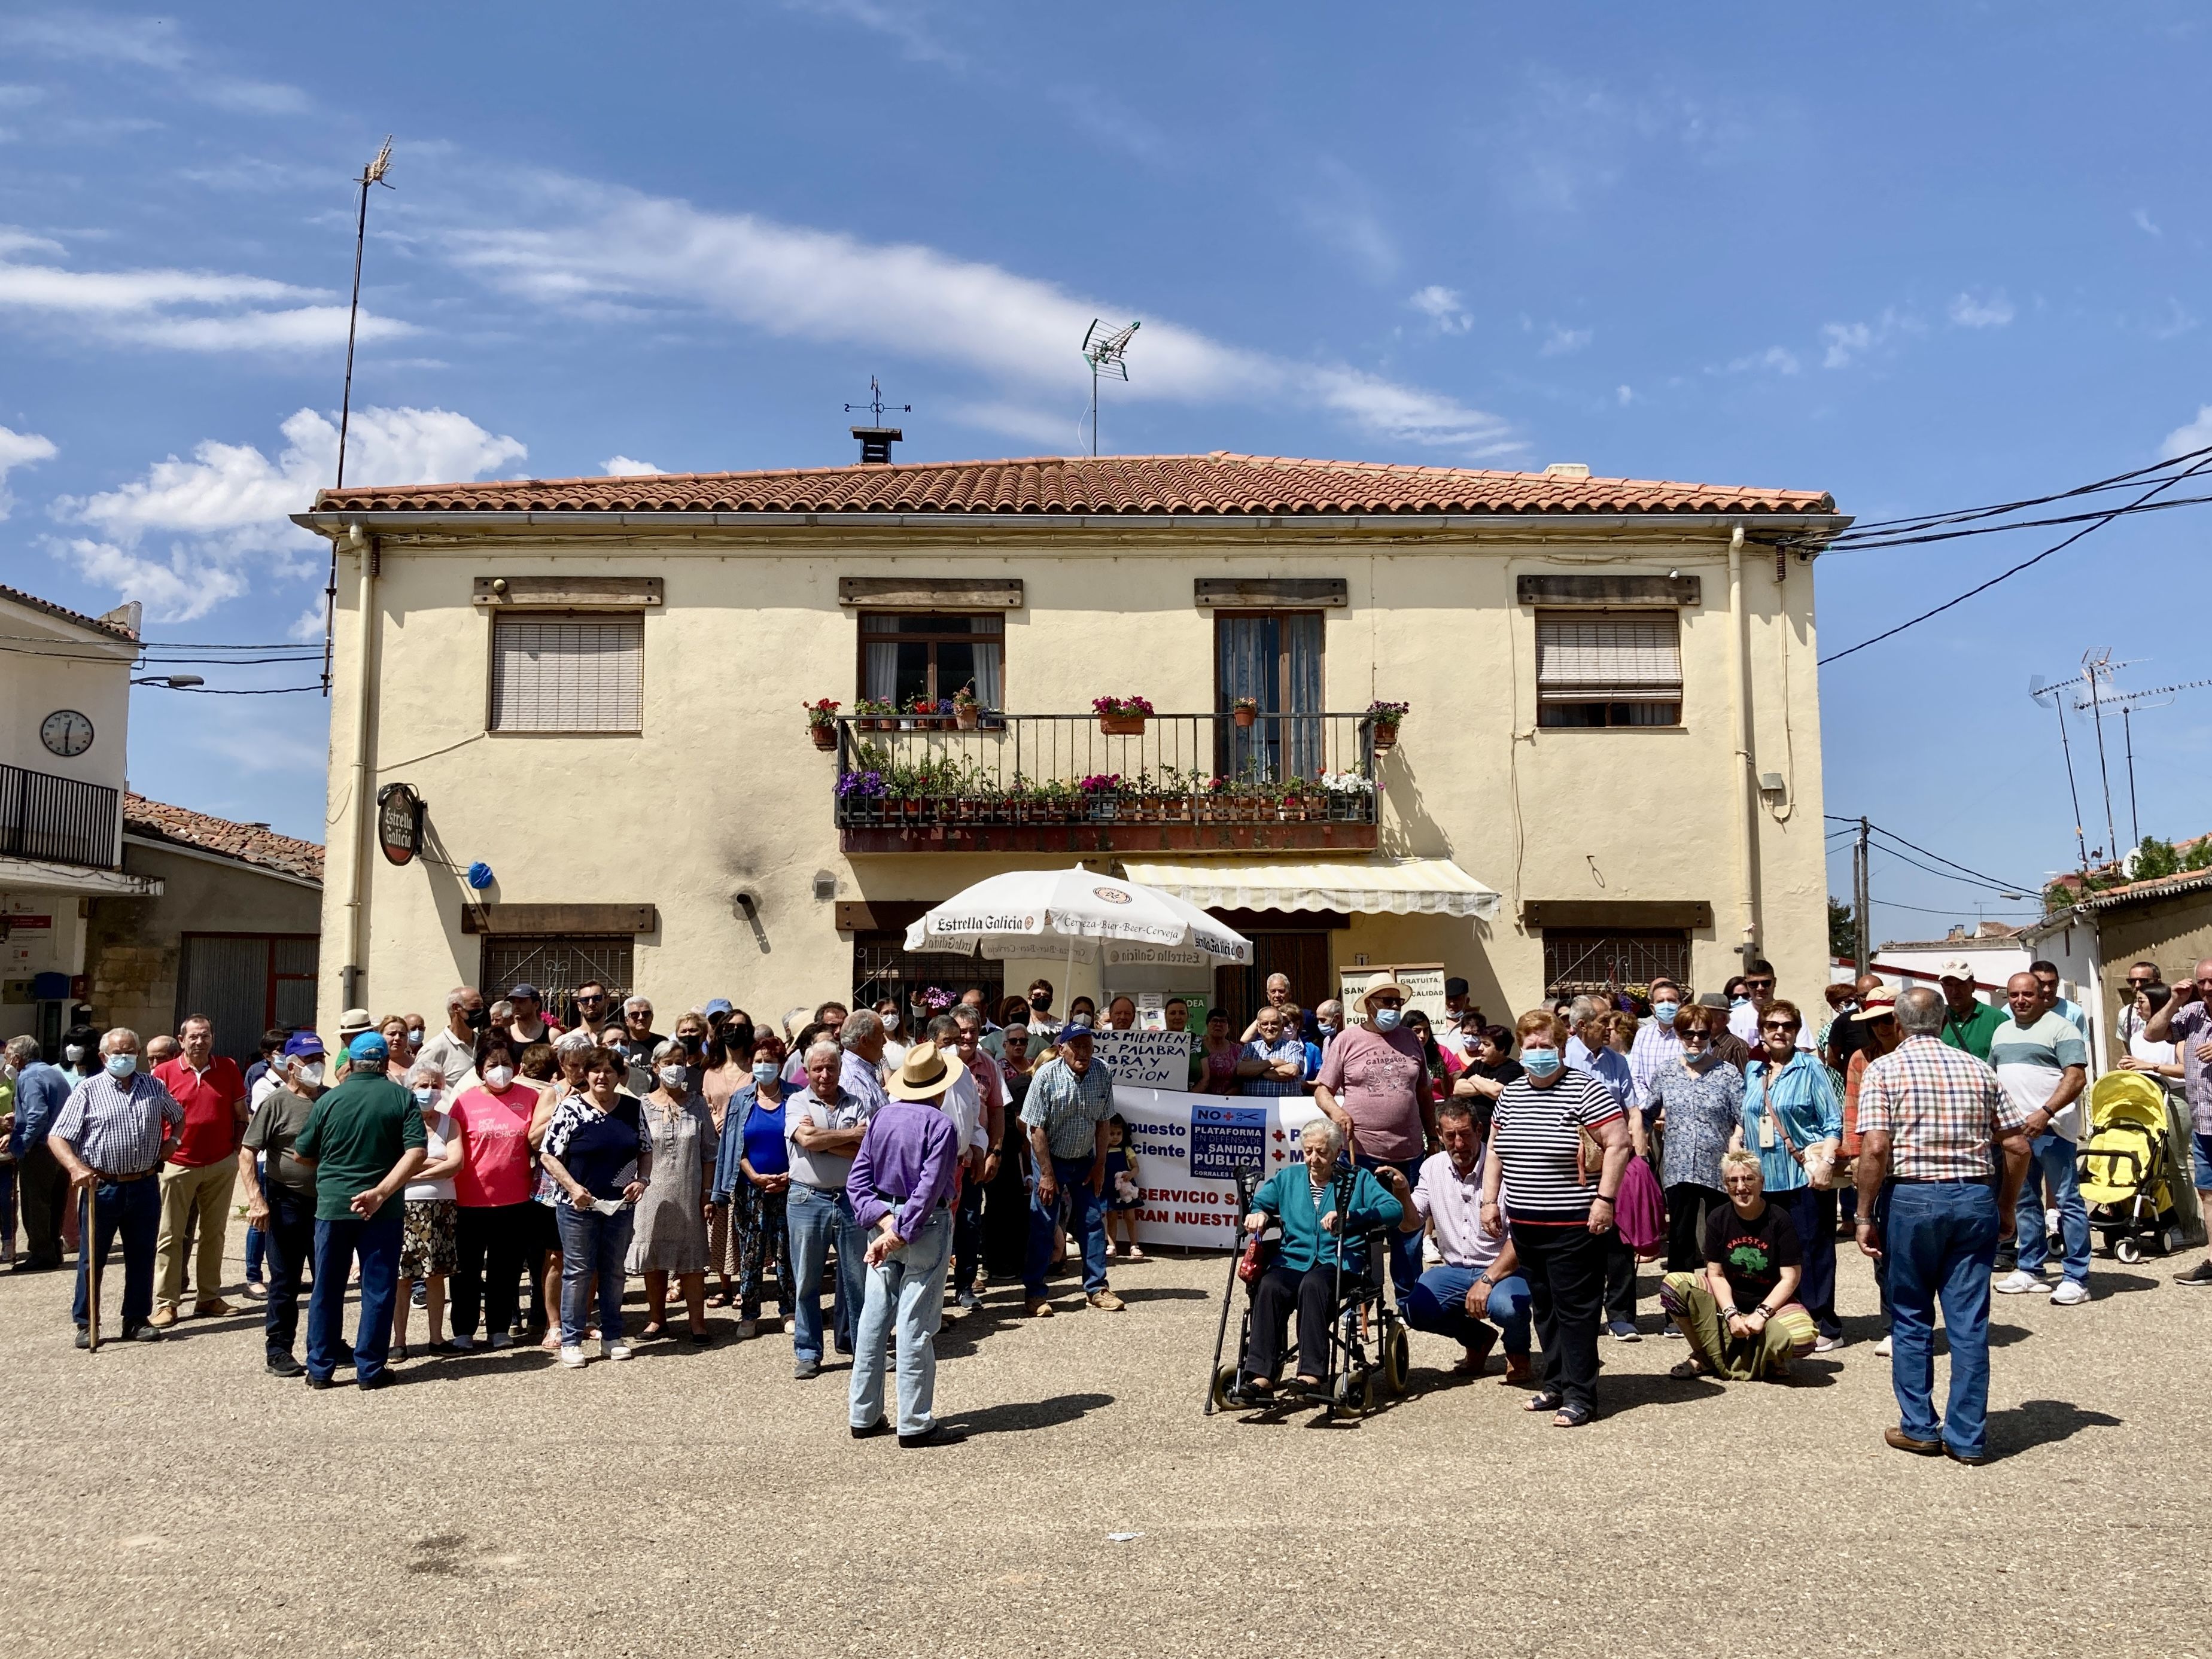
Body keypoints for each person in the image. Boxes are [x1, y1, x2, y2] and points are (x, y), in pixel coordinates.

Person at [1854, 985, 2030, 1463]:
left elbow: (1873, 1148)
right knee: (1968, 1321)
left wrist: (1863, 1213)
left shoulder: (1883, 1069)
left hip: (1911, 1195)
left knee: (1911, 1313)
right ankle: (1968, 1437)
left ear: (1897, 1022)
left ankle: (1920, 1426)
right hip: (1974, 1194)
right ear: (1942, 1020)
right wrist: (2006, 1207)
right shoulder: (1978, 1069)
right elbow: (2017, 1147)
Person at [1480, 1009, 1631, 1427]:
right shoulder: (1510, 1094)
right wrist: (1489, 1201)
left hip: (1573, 1224)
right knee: (1544, 1308)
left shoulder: (1586, 1089)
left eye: (1545, 1045)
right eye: (1530, 1046)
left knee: (1575, 1310)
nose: (1538, 1053)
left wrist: (1605, 1199)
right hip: (1526, 1225)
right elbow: (1495, 1149)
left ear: (1561, 1047)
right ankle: (1556, 1382)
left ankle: (1582, 1394)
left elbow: (1618, 1144)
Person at [1229, 1117, 1406, 1405]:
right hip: (1294, 1261)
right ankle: (1262, 1375)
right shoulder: (1289, 1179)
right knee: (1271, 1285)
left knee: (1314, 1285)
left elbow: (1394, 1210)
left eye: (1322, 1152)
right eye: (1309, 1151)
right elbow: (1261, 1202)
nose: (1314, 1158)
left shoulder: (1357, 1179)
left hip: (1340, 1264)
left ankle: (1311, 1375)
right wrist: (1259, 1213)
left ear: (1337, 1152)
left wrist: (1352, 1218)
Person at [845, 1042, 967, 1447]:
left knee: (873, 1319)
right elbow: (929, 1188)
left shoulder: (881, 1117)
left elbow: (857, 1183)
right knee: (916, 1323)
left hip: (884, 1220)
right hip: (923, 1225)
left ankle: (863, 1413)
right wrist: (898, 1230)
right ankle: (914, 1421)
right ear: (941, 1086)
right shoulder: (940, 1125)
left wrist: (885, 1225)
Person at [295, 1032, 428, 1389]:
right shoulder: (403, 1098)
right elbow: (416, 1153)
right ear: (386, 1064)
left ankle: (320, 1369)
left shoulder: (329, 1101)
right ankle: (370, 1369)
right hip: (383, 1210)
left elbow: (302, 1152)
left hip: (334, 1205)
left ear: (350, 1064)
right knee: (378, 1289)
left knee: (327, 1287)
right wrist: (381, 1192)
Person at [48, 1028, 184, 1345]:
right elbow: (58, 1136)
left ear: (138, 1054)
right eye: (117, 1053)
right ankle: (87, 1322)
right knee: (91, 1258)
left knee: (141, 1255)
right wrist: (75, 1168)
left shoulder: (154, 1086)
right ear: (103, 1057)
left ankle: (136, 1319)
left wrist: (173, 1142)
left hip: (144, 1183)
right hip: (103, 1188)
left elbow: (179, 1116)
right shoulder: (87, 1091)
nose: (123, 1057)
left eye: (129, 1052)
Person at [1312, 981, 1436, 1311]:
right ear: (1369, 1004)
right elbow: (1322, 1089)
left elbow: (1424, 1093)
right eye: (1387, 1001)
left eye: (1397, 1002)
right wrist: (1337, 1111)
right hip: (1362, 1153)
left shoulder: (1410, 1040)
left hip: (1409, 1153)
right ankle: (1358, 1299)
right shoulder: (1347, 1040)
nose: (1394, 1008)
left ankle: (1411, 1303)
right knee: (1359, 1227)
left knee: (1408, 1230)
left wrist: (1433, 1136)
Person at [1736, 1000, 1846, 1351]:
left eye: (1787, 1026)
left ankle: (1824, 1324)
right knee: (1773, 1254)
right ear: (1762, 1032)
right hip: (1765, 1180)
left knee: (1813, 1251)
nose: (1779, 1031)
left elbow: (1833, 1122)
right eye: (1772, 1025)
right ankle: (1785, 1319)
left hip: (1804, 1176)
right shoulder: (1754, 1070)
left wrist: (1827, 1163)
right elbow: (1747, 1119)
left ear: (1797, 1032)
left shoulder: (1811, 1068)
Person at [1402, 1099, 1532, 1382]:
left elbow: (1523, 1238)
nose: (1459, 1143)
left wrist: (1486, 1281)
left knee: (1507, 1307)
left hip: (1504, 1268)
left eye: (1465, 1134)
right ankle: (1478, 1340)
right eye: (1450, 1136)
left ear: (1480, 1130)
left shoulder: (1506, 1168)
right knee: (1415, 1308)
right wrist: (1400, 1191)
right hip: (1456, 1269)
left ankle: (1518, 1353)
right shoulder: (1432, 1167)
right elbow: (1411, 1221)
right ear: (1438, 1134)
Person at [1661, 1149, 1818, 1380]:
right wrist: (1731, 1314)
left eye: (1748, 1179)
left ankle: (1772, 1359)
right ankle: (1704, 1354)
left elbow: (1790, 1278)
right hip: (1728, 1301)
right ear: (1725, 1185)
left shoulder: (1780, 1219)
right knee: (1673, 1284)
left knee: (1803, 1338)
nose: (1741, 1187)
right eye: (1733, 1180)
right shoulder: (1718, 1218)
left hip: (1770, 1304)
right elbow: (1716, 1274)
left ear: (1761, 1182)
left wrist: (1762, 1314)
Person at [538, 1046, 649, 1367]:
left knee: (614, 1271)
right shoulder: (571, 1108)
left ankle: (612, 1335)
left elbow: (645, 1149)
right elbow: (548, 1155)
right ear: (585, 1075)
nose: (602, 1076)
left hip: (619, 1205)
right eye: (596, 1071)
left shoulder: (632, 1108)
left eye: (610, 1071)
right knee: (578, 1271)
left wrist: (642, 1181)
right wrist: (573, 1189)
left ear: (619, 1076)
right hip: (578, 1206)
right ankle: (571, 1340)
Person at [1990, 970, 2092, 1304]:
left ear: (2041, 996)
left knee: (2067, 1201)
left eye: (2028, 995)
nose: (2021, 1001)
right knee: (2024, 1199)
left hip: (2052, 1130)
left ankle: (2077, 1276)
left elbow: (2076, 1079)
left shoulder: (2063, 1028)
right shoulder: (2002, 1031)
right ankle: (2030, 1268)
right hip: (2015, 1133)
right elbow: (1993, 1078)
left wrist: (2045, 1113)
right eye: (2014, 995)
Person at [148, 1015, 248, 1326]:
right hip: (178, 1165)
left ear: (213, 1038)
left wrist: (236, 1149)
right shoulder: (163, 1073)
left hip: (219, 1163)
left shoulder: (228, 1068)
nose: (199, 1041)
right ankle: (166, 1303)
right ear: (181, 1040)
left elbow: (240, 1114)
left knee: (214, 1235)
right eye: (193, 1036)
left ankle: (209, 1297)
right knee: (170, 1236)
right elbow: (153, 1119)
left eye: (205, 1035)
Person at [1019, 1020, 1122, 1317]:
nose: (1083, 1052)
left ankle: (1097, 1288)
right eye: (1076, 1046)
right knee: (1044, 1223)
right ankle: (1036, 1294)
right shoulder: (1046, 1077)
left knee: (1092, 1221)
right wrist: (1047, 1174)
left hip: (1085, 1159)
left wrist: (1101, 1164)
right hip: (1050, 1158)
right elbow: (1035, 1129)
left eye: (1087, 1046)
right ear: (1061, 1049)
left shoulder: (1102, 1072)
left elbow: (1104, 1122)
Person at [238, 1033, 326, 1377]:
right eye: (309, 1059)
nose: (316, 1065)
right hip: (286, 1201)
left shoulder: (330, 1100)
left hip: (327, 1204)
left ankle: (326, 1343)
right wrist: (255, 1200)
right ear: (291, 1066)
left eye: (320, 1057)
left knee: (326, 1280)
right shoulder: (275, 1103)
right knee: (285, 1281)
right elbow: (247, 1152)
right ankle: (279, 1349)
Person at [786, 1039, 873, 1378]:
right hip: (808, 1199)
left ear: (840, 1070)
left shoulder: (858, 1101)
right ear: (806, 1071)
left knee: (857, 1279)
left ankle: (858, 1347)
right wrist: (847, 1134)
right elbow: (806, 1141)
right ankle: (808, 1352)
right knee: (807, 1279)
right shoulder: (796, 1101)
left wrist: (822, 1140)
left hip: (852, 1199)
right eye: (818, 1069)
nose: (824, 1075)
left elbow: (865, 1149)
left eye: (831, 1068)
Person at [446, 1036, 537, 1352]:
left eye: (506, 1064)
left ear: (518, 1067)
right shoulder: (465, 1102)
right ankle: (463, 1329)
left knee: (506, 1268)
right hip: (468, 1199)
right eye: (492, 1065)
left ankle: (499, 1327)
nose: (500, 1070)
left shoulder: (530, 1098)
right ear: (480, 1070)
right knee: (465, 1270)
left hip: (515, 1200)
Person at [625, 1037, 716, 1344]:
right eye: (668, 1063)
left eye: (680, 1062)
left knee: (691, 1260)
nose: (675, 1068)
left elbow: (709, 1153)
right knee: (654, 1256)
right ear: (656, 1067)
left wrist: (707, 1193)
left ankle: (698, 1324)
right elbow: (635, 1150)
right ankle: (656, 1320)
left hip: (689, 1192)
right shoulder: (642, 1104)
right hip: (652, 1194)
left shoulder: (698, 1103)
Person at [1646, 1004, 1745, 1286]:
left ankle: (1724, 1301)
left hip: (1717, 1166)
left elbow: (1744, 1116)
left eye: (1702, 1034)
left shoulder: (1727, 1073)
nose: (1695, 1040)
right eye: (1688, 1033)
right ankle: (1678, 1310)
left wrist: (1737, 1138)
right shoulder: (1665, 1072)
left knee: (1720, 1237)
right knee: (1680, 1238)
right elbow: (1647, 1112)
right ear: (1678, 1034)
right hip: (1678, 1167)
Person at [712, 1032, 795, 1338]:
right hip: (750, 1188)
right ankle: (749, 1314)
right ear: (751, 1064)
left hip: (790, 1186)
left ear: (781, 1063)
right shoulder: (740, 1099)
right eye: (759, 1062)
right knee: (752, 1252)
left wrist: (787, 1176)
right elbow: (734, 1145)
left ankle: (789, 1310)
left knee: (788, 1251)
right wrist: (753, 1175)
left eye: (770, 1061)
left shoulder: (797, 1097)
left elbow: (803, 1144)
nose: (764, 1066)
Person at [2145, 959, 2212, 1287]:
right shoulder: (2194, 1013)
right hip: (2205, 1122)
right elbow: (2153, 1032)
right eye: (2203, 983)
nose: (2208, 989)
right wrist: (2174, 1001)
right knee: (2208, 1193)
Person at [391, 1063, 463, 1359]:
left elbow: (456, 1163)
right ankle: (399, 1341)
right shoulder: (398, 1123)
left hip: (441, 1208)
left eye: (435, 1085)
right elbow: (392, 1164)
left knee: (437, 1276)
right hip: (404, 1207)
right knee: (402, 1277)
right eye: (423, 1085)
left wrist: (413, 1171)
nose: (430, 1091)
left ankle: (437, 1338)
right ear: (410, 1089)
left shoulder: (450, 1124)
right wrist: (435, 1166)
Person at [945, 1008, 1004, 1309]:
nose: (967, 1037)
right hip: (940, 1162)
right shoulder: (938, 1063)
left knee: (969, 1222)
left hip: (975, 1159)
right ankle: (934, 1293)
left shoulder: (989, 1066)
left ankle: (965, 1287)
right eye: (961, 1031)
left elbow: (996, 1110)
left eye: (972, 1031)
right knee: (940, 1224)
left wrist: (995, 1151)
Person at [7, 1036, 72, 1272]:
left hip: (41, 1149)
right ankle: (53, 1250)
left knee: (36, 1205)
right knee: (55, 1202)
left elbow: (38, 1115)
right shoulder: (52, 1073)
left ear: (17, 1057)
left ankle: (41, 1253)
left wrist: (22, 1144)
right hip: (61, 1146)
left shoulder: (29, 1076)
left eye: (9, 1058)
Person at [1628, 978, 1687, 1111]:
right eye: (1660, 1002)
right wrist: (1651, 1108)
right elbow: (1635, 1077)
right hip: (1650, 1115)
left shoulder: (1692, 1036)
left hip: (1684, 1113)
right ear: (1652, 1008)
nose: (1666, 1005)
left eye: (1671, 1001)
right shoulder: (1643, 1035)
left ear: (1681, 1005)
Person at [417, 986, 490, 1089]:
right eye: (475, 1005)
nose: (481, 1010)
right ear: (457, 1008)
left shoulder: (484, 1043)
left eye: (482, 1006)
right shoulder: (434, 1050)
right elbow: (419, 1089)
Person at [1930, 964, 2006, 1061]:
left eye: (1960, 984)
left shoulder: (1997, 1019)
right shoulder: (1934, 1020)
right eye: (1949, 985)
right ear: (1943, 987)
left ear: (1973, 986)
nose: (1955, 991)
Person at [2118, 983, 2184, 1091]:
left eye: (2141, 1001)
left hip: (2175, 1094)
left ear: (2157, 1002)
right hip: (2146, 1096)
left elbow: (2186, 1070)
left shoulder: (2178, 1033)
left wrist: (2151, 1066)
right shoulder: (2136, 1038)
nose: (2136, 1006)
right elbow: (2139, 1068)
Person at [1237, 1006, 1307, 1097]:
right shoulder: (1250, 1047)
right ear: (1258, 1028)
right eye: (1265, 1024)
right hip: (1254, 1108)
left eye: (1274, 1023)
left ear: (1282, 1026)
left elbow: (1291, 1071)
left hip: (1286, 1108)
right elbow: (1241, 1070)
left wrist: (1255, 1071)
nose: (1270, 1028)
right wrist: (1272, 1063)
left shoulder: (1293, 1046)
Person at [1103, 1113, 1143, 1260]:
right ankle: (1112, 1246)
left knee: (1130, 1217)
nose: (1115, 1137)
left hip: (1126, 1189)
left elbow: (1136, 1167)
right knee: (1111, 1217)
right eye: (1111, 1133)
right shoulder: (1103, 1151)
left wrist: (1131, 1174)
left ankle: (1134, 1245)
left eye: (1119, 1133)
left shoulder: (1127, 1150)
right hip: (1109, 1188)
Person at [2028, 959, 2091, 1040]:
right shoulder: (2014, 1012)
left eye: (2051, 983)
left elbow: (2084, 1047)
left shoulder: (2074, 1012)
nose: (2047, 989)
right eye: (2041, 984)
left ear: (2058, 982)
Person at [2116, 960, 2166, 1049]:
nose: (2137, 985)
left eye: (2144, 981)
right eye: (2132, 981)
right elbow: (2129, 1050)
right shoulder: (2125, 1014)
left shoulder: (2174, 1011)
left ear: (2158, 982)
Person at [1196, 1006, 1242, 1095]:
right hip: (1199, 1101)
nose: (1218, 1024)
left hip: (1229, 1102)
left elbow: (1241, 1083)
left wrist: (1223, 1099)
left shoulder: (1238, 1050)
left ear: (1229, 1028)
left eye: (1223, 1022)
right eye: (1214, 1021)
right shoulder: (1197, 1047)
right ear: (1207, 1025)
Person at [504, 983, 561, 1048]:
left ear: (536, 1005)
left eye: (522, 1002)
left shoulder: (552, 1035)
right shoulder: (506, 1035)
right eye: (513, 1002)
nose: (516, 1006)